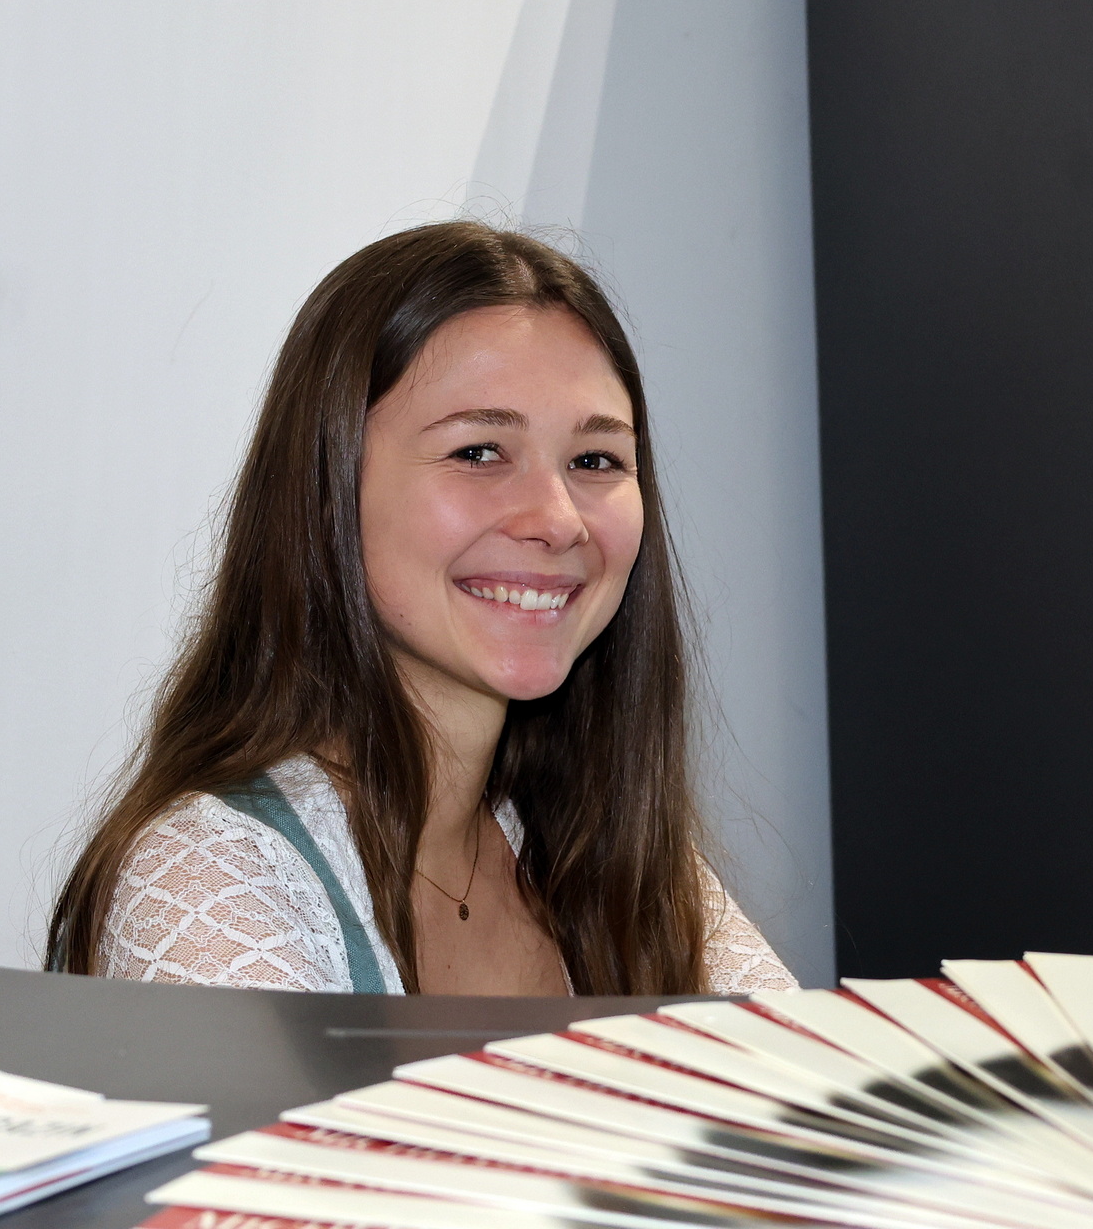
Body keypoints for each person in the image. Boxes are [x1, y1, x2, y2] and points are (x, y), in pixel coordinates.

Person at [45, 222, 796, 997]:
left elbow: (811, 1071)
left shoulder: (617, 855)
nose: (558, 519)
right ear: (328, 489)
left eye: (594, 459)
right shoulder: (212, 875)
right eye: (478, 452)